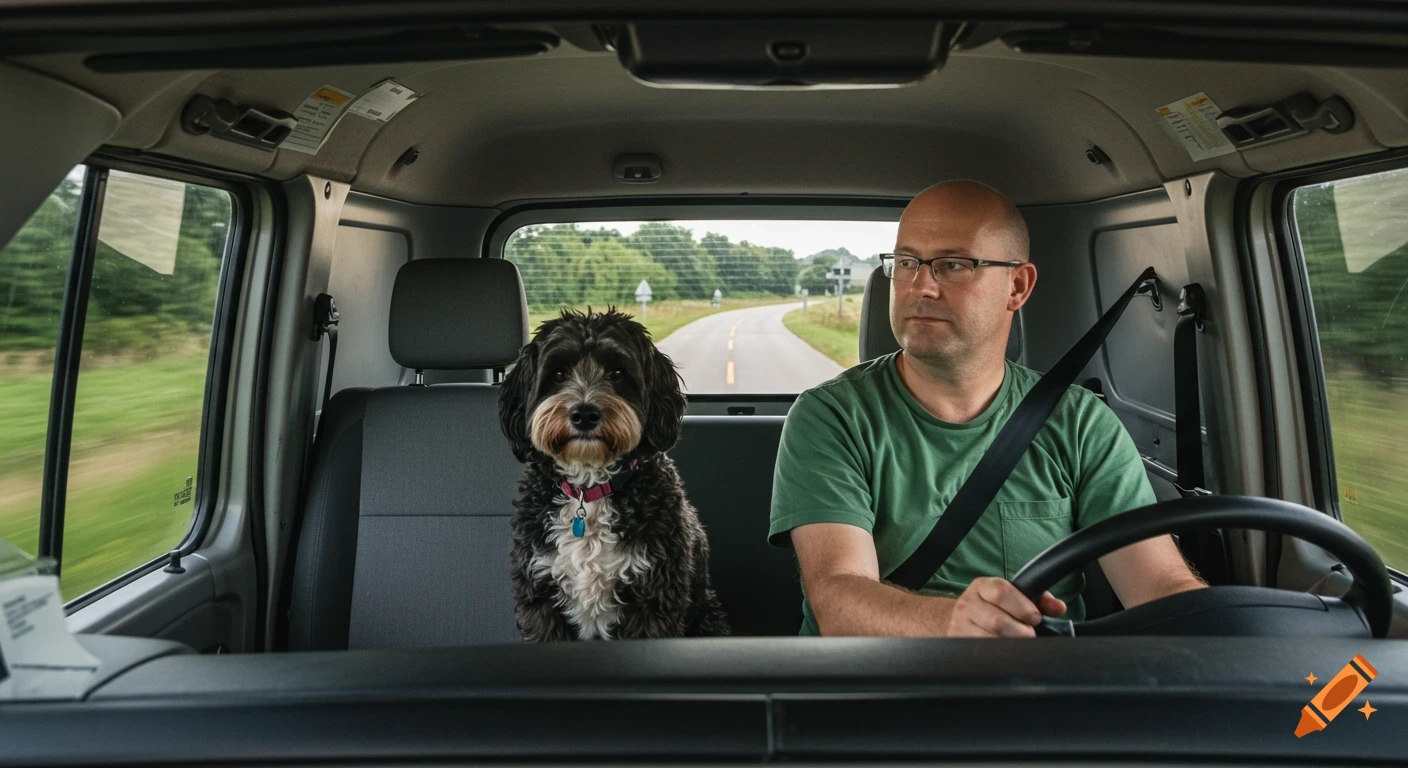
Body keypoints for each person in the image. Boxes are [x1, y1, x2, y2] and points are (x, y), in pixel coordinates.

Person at [768, 180, 1205, 638]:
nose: (921, 286)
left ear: (1017, 286)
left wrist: (1218, 629)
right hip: (873, 693)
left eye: (954, 265)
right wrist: (953, 624)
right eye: (907, 262)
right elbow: (838, 597)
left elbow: (1157, 582)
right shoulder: (831, 416)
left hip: (1038, 694)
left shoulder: (1079, 423)